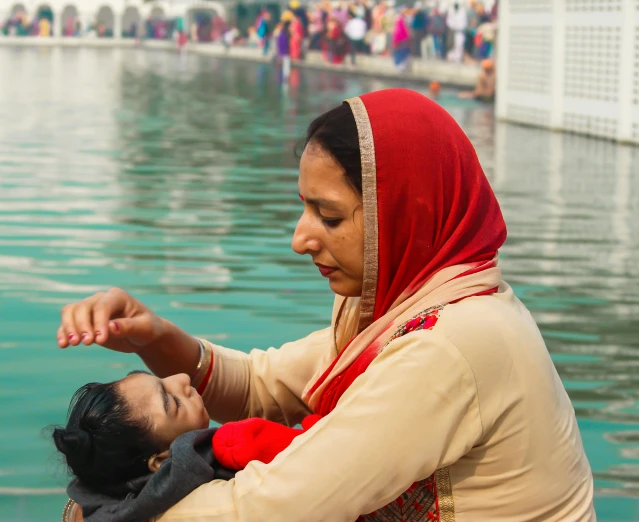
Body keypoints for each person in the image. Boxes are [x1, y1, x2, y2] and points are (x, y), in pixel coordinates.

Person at [57, 89, 595, 522]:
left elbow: (279, 505)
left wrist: (120, 515)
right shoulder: (401, 311)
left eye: (329, 217)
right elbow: (265, 389)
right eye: (305, 210)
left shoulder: (448, 345)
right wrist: (155, 337)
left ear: (405, 215)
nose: (301, 238)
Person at [56, 371, 321, 521]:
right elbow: (319, 451)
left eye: (160, 379)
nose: (182, 378)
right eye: (174, 403)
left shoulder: (99, 505)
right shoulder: (235, 463)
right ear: (161, 461)